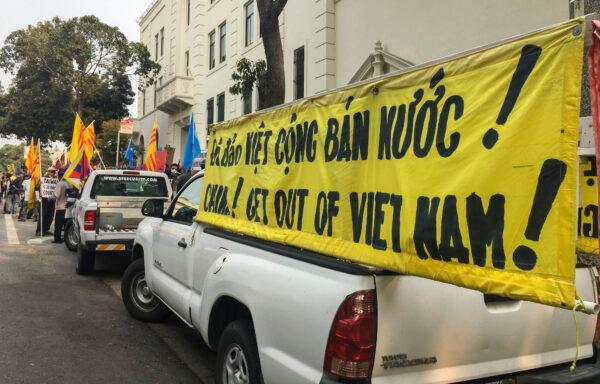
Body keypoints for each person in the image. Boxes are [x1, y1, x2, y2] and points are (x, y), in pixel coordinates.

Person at [36, 167, 56, 236]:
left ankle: (46, 229)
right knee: (43, 216)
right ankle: (39, 230)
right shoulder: (43, 179)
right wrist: (40, 184)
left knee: (50, 216)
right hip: (44, 201)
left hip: (52, 201)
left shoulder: (55, 179)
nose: (53, 173)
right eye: (51, 171)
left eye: (54, 171)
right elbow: (37, 188)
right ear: (48, 171)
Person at [53, 169, 70, 243]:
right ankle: (66, 240)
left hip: (60, 207)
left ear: (59, 176)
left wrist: (49, 198)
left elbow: (56, 195)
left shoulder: (60, 184)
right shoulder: (69, 184)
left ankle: (57, 239)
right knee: (66, 225)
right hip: (68, 207)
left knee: (58, 225)